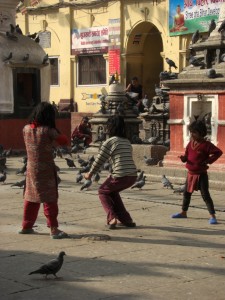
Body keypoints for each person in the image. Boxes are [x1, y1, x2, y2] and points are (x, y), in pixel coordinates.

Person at [19, 102, 69, 239]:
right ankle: (53, 229)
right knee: (49, 198)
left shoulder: (26, 129)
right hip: (46, 169)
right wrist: (56, 130)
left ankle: (26, 226)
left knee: (31, 197)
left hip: (31, 169)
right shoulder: (48, 131)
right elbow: (64, 141)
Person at [84, 115, 137, 229]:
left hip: (121, 174)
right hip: (132, 175)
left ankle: (112, 218)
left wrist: (90, 173)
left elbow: (100, 160)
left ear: (110, 127)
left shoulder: (110, 142)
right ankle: (126, 219)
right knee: (112, 192)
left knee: (102, 191)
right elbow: (121, 159)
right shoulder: (127, 141)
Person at [171, 120, 223, 224]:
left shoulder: (206, 145)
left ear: (201, 133)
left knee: (205, 195)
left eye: (194, 132)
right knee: (186, 193)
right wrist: (183, 158)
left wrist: (208, 161)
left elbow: (218, 152)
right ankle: (183, 212)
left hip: (201, 175)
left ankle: (212, 216)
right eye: (191, 132)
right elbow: (187, 155)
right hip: (190, 174)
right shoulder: (190, 144)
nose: (192, 134)